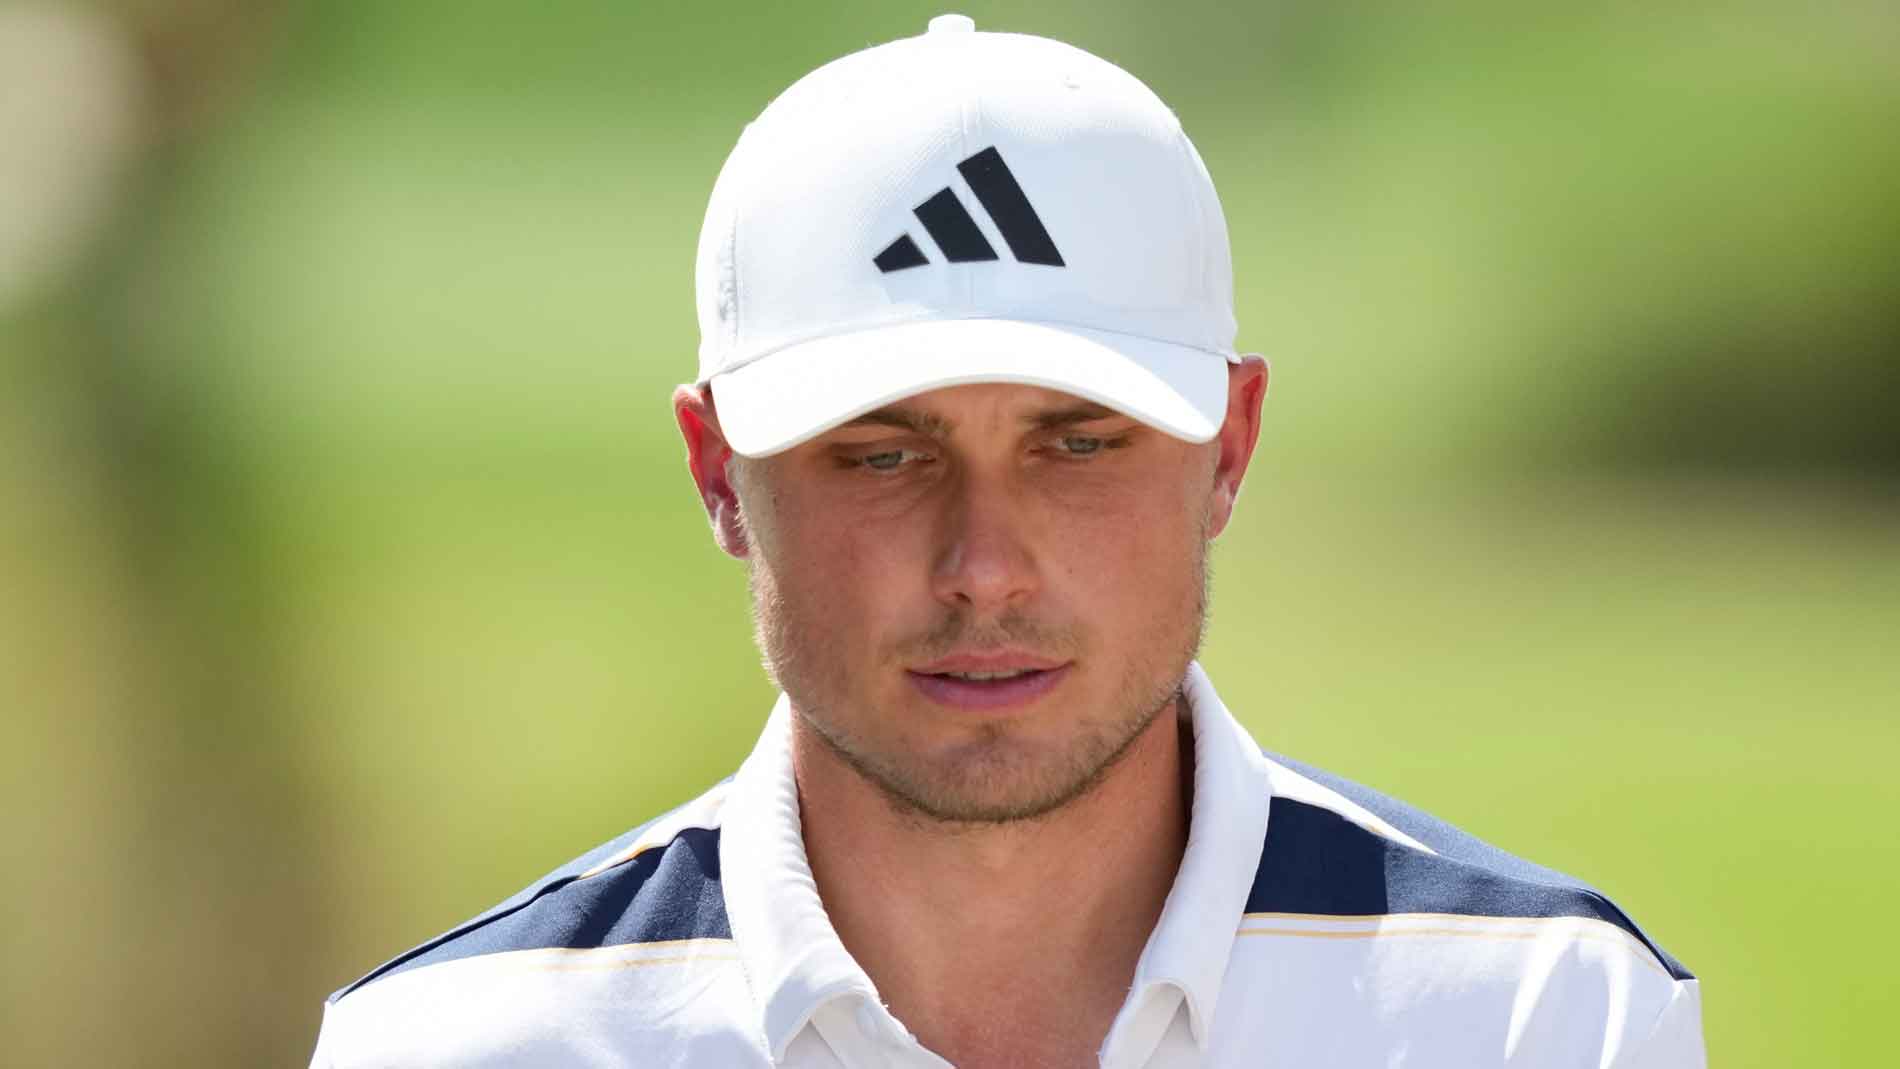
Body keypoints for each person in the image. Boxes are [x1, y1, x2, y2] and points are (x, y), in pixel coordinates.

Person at [309, 14, 1705, 1068]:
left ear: (1230, 445)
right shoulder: (455, 1044)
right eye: (882, 453)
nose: (985, 563)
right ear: (718, 470)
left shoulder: (1544, 1014)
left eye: (1079, 441)